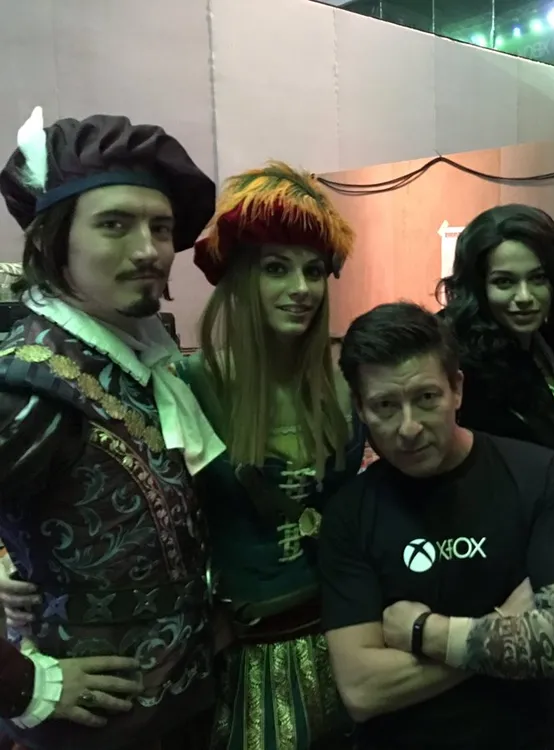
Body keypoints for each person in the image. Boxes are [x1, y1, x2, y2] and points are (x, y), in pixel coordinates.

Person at [0, 108, 223, 749]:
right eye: (114, 225)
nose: (149, 250)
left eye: (160, 227)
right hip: (91, 732)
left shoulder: (142, 357)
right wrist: (24, 686)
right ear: (55, 241)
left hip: (182, 708)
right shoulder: (28, 382)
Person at [319, 301, 554, 750]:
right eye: (385, 406)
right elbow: (362, 691)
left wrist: (424, 631)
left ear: (457, 390)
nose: (409, 427)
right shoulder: (348, 514)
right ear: (360, 408)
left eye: (426, 398)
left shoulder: (538, 476)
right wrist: (504, 624)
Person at [177, 161, 364, 749]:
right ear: (240, 278)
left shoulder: (345, 384)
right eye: (276, 268)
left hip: (344, 638)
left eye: (314, 271)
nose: (301, 289)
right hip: (240, 657)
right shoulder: (188, 386)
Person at [437, 205, 554, 749]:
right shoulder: (465, 374)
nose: (524, 297)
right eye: (504, 282)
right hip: (506, 583)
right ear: (477, 288)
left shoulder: (552, 347)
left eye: (537, 278)